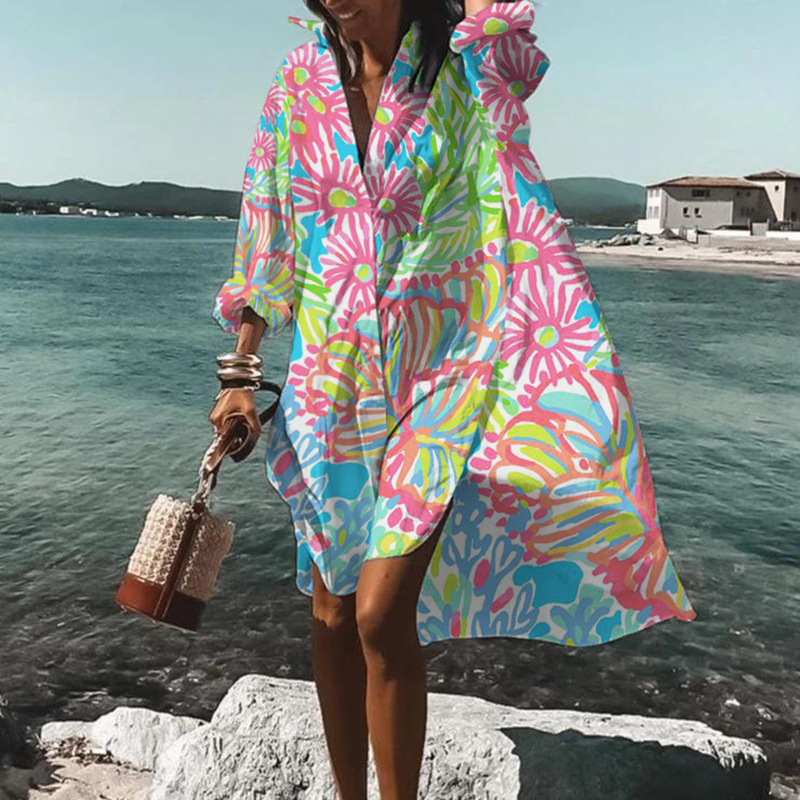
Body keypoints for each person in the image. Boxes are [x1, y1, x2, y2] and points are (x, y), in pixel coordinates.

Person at [209, 1, 698, 798]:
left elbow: (517, 40)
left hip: (442, 386)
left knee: (379, 613)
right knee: (331, 614)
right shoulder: (296, 84)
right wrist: (239, 375)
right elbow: (266, 243)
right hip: (328, 392)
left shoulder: (470, 70)